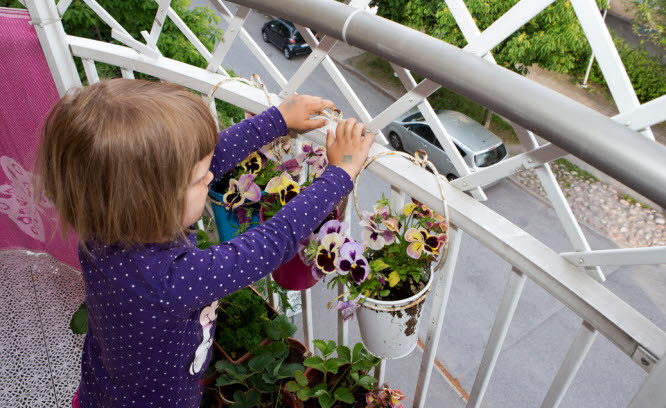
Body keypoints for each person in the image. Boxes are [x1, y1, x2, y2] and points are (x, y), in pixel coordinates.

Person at [35, 78, 375, 408]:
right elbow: (273, 241)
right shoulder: (173, 280)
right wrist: (339, 175)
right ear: (150, 203)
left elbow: (200, 160)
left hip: (104, 387)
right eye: (200, 180)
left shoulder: (102, 225)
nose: (212, 175)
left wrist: (278, 120)